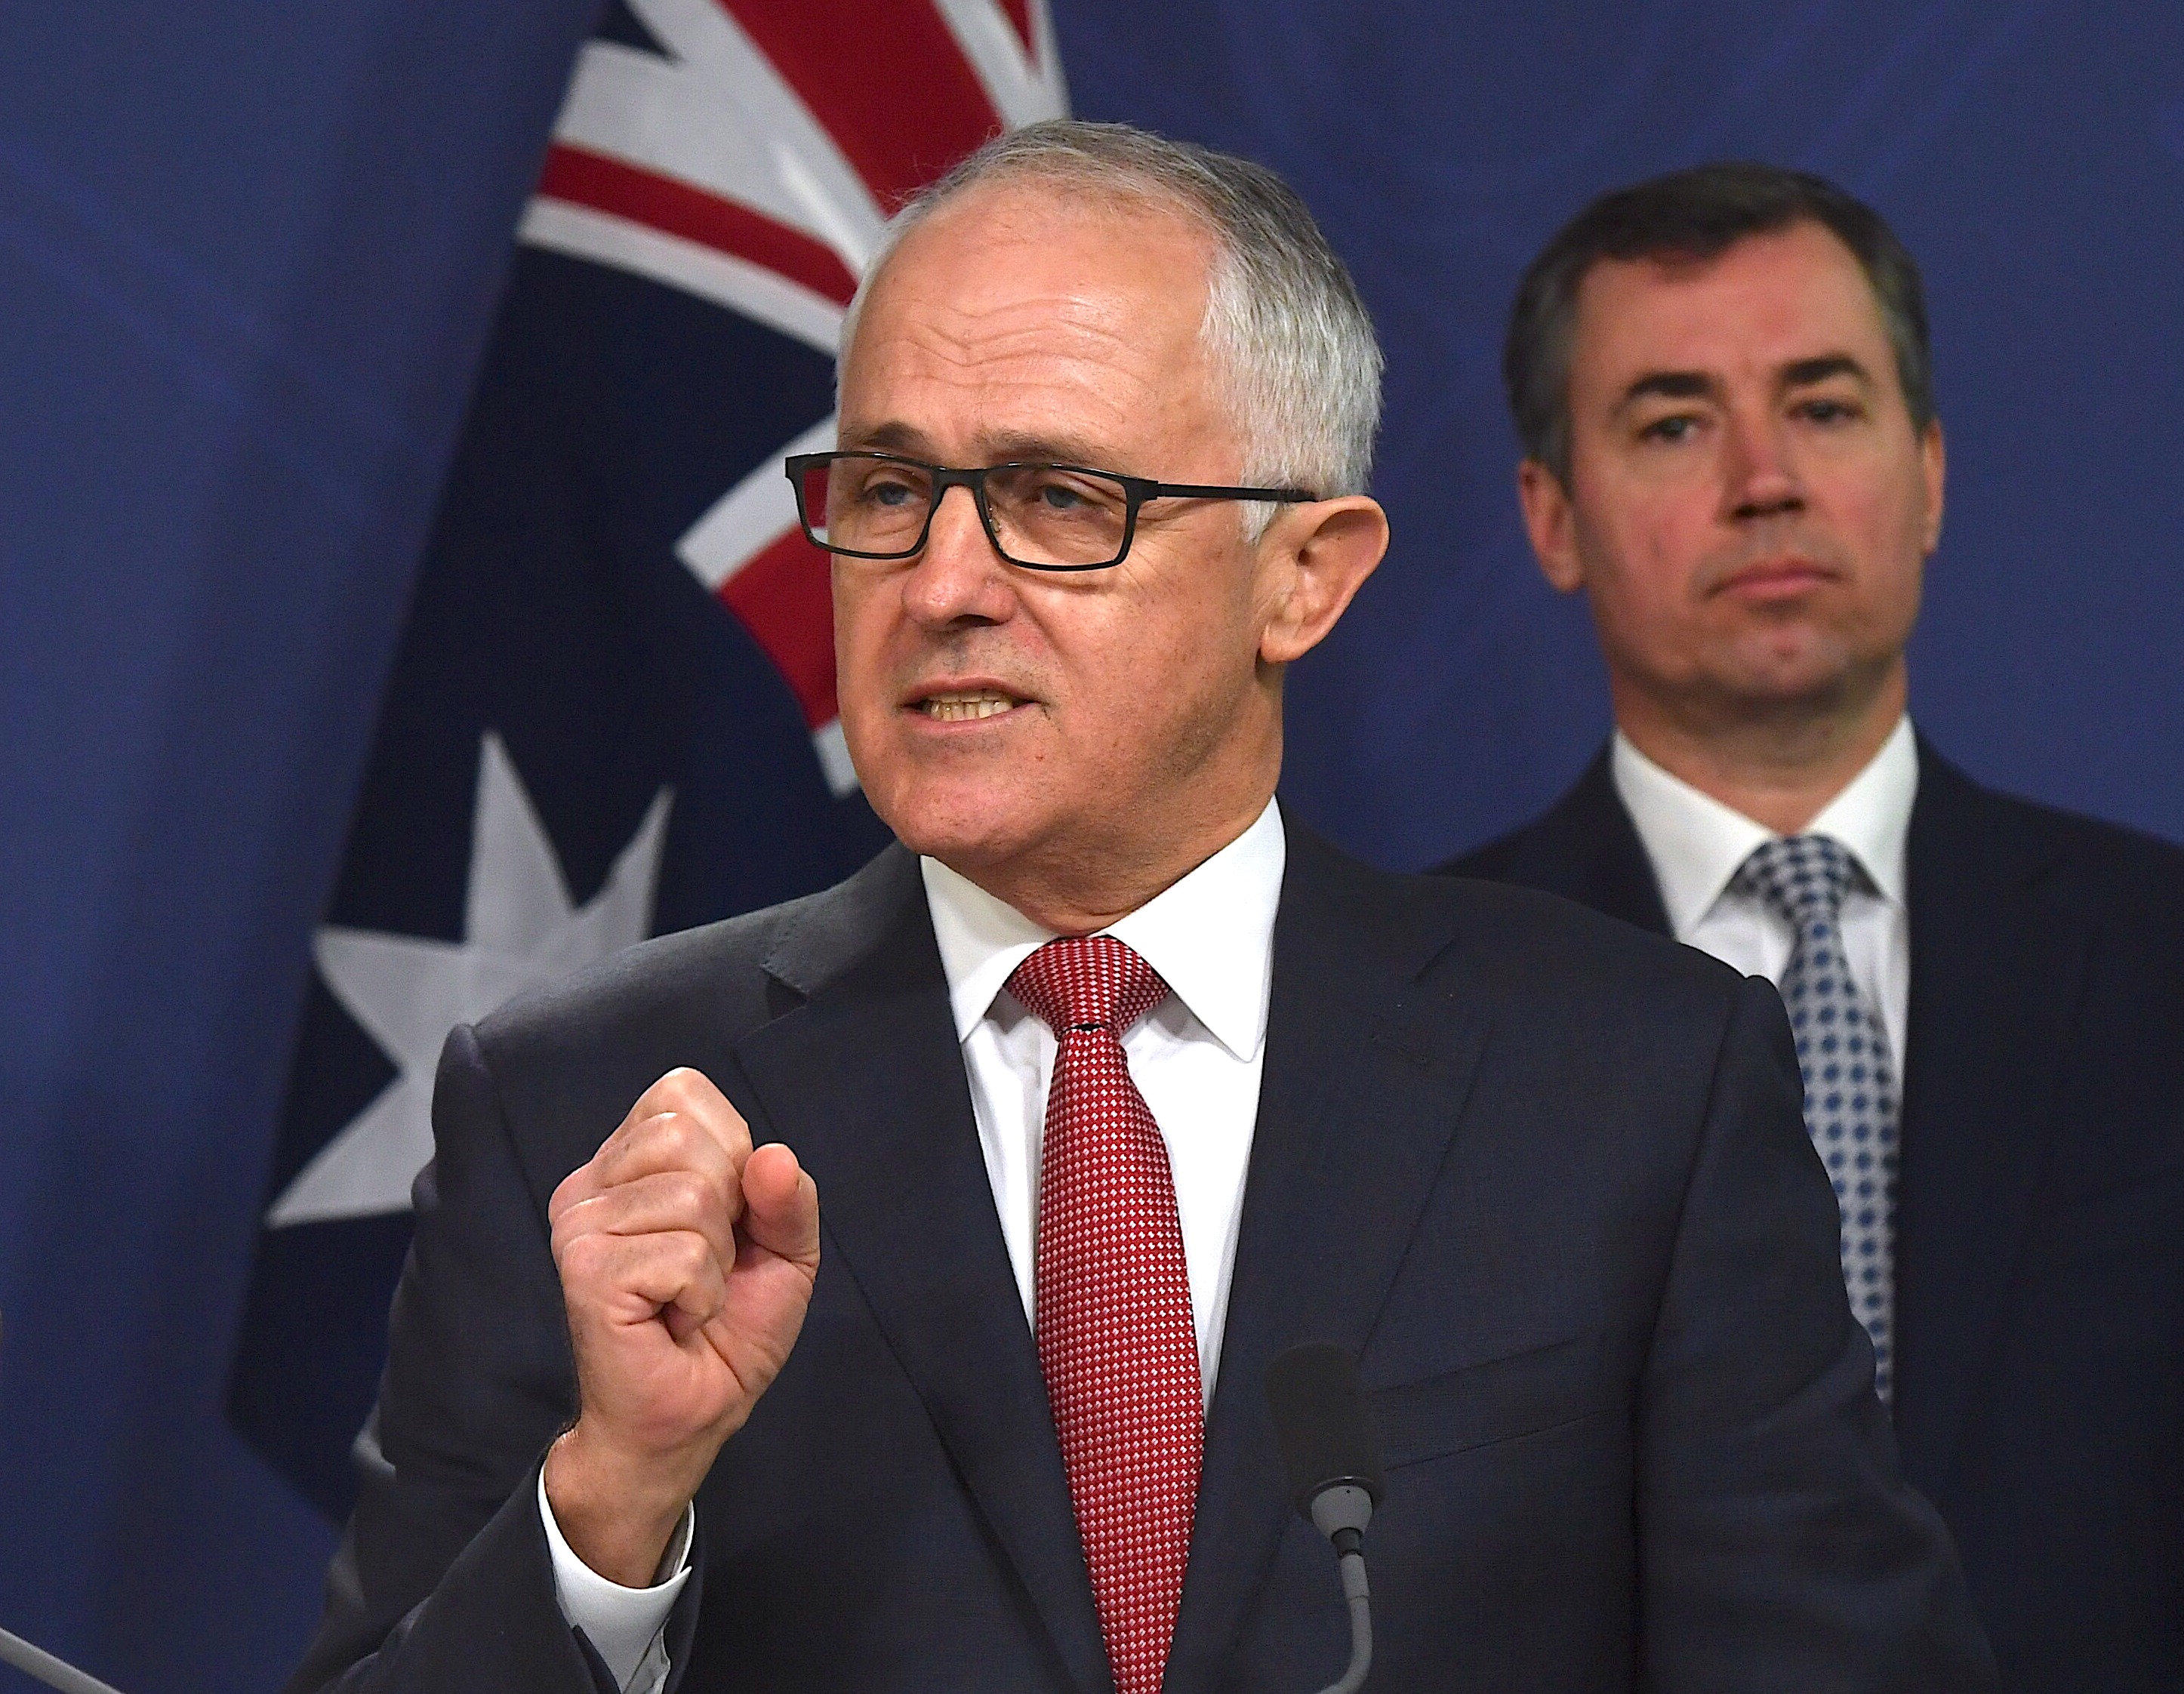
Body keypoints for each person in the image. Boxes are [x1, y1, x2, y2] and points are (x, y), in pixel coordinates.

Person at [285, 125, 1991, 1694]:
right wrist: (614, 1502)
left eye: (1057, 501)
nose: (942, 587)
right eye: (886, 493)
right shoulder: (583, 1106)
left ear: (1302, 575)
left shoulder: (1631, 1084)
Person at [1442, 162, 2184, 1692]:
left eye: (1824, 405)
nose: (1762, 479)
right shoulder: (1420, 1003)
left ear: (1926, 472)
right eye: (1672, 422)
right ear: (1549, 514)